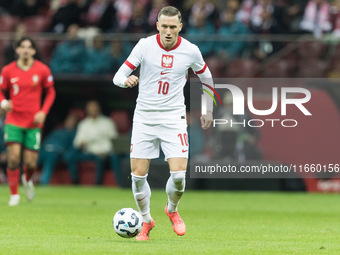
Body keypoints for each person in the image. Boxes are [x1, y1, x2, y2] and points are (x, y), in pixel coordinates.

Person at [113, 6, 213, 241]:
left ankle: (172, 209)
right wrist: (125, 81)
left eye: (172, 27)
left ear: (180, 27)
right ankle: (146, 220)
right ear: (157, 25)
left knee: (179, 176)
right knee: (138, 177)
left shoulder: (190, 51)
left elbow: (207, 78)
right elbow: (118, 75)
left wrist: (207, 109)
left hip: (173, 118)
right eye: (164, 26)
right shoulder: (145, 45)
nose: (168, 31)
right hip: (144, 118)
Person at [0, 36, 56, 206]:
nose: (25, 50)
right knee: (13, 158)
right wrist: (3, 102)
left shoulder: (42, 70)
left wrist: (43, 112)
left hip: (34, 122)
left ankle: (27, 178)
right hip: (14, 119)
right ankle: (14, 195)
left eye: (28, 47)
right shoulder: (8, 70)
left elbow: (51, 93)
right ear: (17, 50)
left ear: (33, 50)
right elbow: (1, 91)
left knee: (31, 163)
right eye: (22, 47)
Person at [65, 100, 118, 185]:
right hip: (88, 152)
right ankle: (75, 183)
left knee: (101, 159)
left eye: (94, 108)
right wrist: (80, 143)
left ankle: (98, 185)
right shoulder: (83, 124)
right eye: (90, 108)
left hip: (103, 153)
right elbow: (77, 143)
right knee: (70, 156)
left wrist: (105, 151)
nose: (93, 110)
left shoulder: (107, 122)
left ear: (99, 109)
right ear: (87, 110)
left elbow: (114, 140)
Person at [38, 113, 78, 185]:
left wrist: (66, 155)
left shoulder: (73, 134)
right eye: (69, 120)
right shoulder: (57, 130)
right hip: (44, 149)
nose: (70, 123)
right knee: (30, 161)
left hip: (55, 152)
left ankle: (43, 183)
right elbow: (46, 140)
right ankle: (20, 180)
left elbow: (72, 147)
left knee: (48, 164)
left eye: (73, 122)